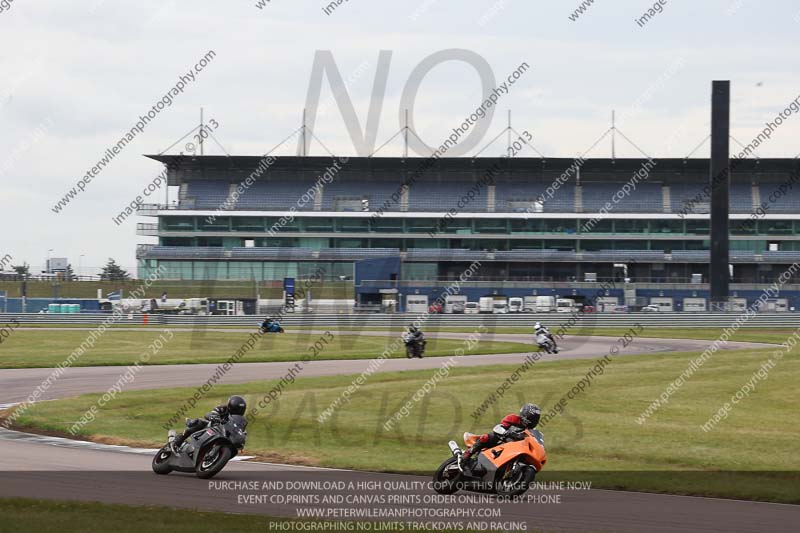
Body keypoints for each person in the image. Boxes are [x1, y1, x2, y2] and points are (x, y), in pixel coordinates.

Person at [462, 403, 542, 467]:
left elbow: (535, 441)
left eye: (535, 418)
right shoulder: (513, 418)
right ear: (525, 414)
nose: (533, 420)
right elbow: (498, 427)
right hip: (501, 440)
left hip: (514, 448)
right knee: (486, 437)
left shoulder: (532, 431)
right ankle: (468, 453)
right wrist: (506, 433)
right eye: (532, 417)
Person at [171, 395, 247, 453]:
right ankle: (178, 441)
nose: (239, 411)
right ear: (231, 407)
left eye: (241, 409)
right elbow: (210, 413)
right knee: (199, 422)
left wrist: (242, 436)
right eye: (237, 409)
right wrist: (214, 417)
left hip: (224, 435)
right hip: (212, 428)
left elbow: (240, 430)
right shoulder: (223, 408)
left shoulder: (241, 420)